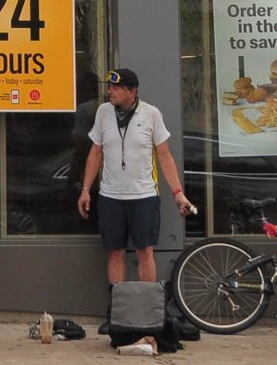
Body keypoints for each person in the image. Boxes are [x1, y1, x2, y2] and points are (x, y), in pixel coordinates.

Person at [75, 67, 192, 285]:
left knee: (145, 252)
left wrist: (178, 193)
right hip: (111, 196)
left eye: (116, 88)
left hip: (143, 196)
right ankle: (118, 309)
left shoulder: (151, 114)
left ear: (132, 91)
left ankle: (146, 310)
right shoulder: (103, 112)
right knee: (115, 252)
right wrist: (85, 190)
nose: (110, 92)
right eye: (109, 87)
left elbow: (164, 157)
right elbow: (95, 152)